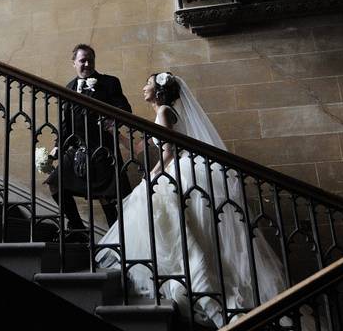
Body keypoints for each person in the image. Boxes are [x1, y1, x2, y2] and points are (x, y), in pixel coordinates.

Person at [95, 73, 288, 327]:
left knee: (176, 229)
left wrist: (152, 177)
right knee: (183, 232)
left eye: (148, 83)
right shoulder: (164, 111)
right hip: (182, 168)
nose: (143, 87)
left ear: (159, 90)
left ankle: (201, 288)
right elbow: (143, 148)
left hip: (179, 170)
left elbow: (167, 152)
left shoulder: (164, 111)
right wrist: (116, 134)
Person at [45, 44, 132, 230]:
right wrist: (57, 146)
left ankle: (118, 241)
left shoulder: (109, 82)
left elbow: (125, 109)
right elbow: (66, 123)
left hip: (102, 149)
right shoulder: (69, 87)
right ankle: (76, 227)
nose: (87, 64)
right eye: (82, 60)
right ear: (74, 63)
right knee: (54, 183)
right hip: (78, 149)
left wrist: (111, 120)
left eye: (90, 60)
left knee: (105, 198)